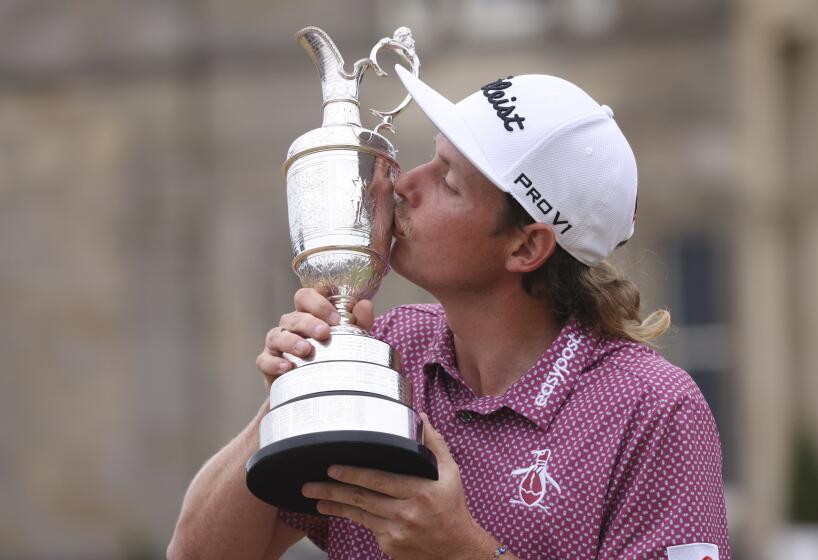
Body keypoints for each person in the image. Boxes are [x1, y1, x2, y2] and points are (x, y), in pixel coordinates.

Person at [168, 66, 730, 560]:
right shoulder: (391, 349)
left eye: (448, 181)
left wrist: (461, 553)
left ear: (525, 248)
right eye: (429, 159)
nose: (404, 185)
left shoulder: (654, 411)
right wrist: (290, 395)